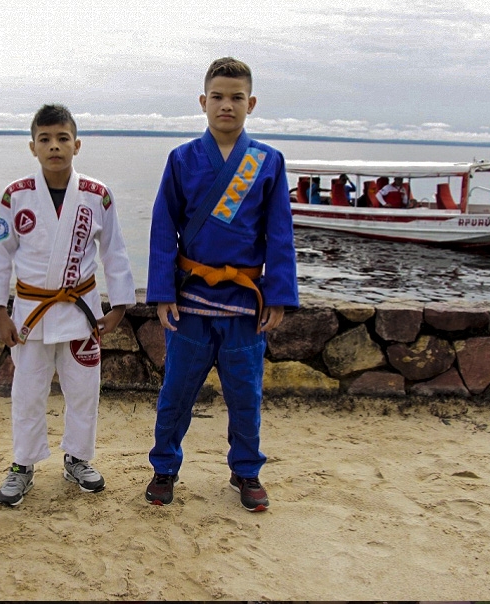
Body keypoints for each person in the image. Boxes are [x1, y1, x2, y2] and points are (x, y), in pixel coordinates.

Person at [145, 57, 299, 512]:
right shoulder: (182, 159)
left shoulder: (268, 162)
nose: (226, 105)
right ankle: (165, 468)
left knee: (245, 396)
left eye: (236, 97)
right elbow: (162, 228)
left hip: (244, 305)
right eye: (217, 97)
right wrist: (162, 292)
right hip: (191, 301)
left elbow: (280, 233)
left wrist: (279, 294)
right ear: (203, 102)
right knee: (176, 392)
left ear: (250, 103)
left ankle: (246, 471)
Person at [0, 104, 136, 507]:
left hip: (81, 312)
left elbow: (115, 251)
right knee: (28, 392)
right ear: (32, 146)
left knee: (84, 391)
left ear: (77, 144)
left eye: (62, 138)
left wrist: (119, 304)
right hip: (30, 316)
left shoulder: (97, 195)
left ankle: (78, 458)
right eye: (46, 139)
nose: (55, 147)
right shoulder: (14, 195)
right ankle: (23, 464)